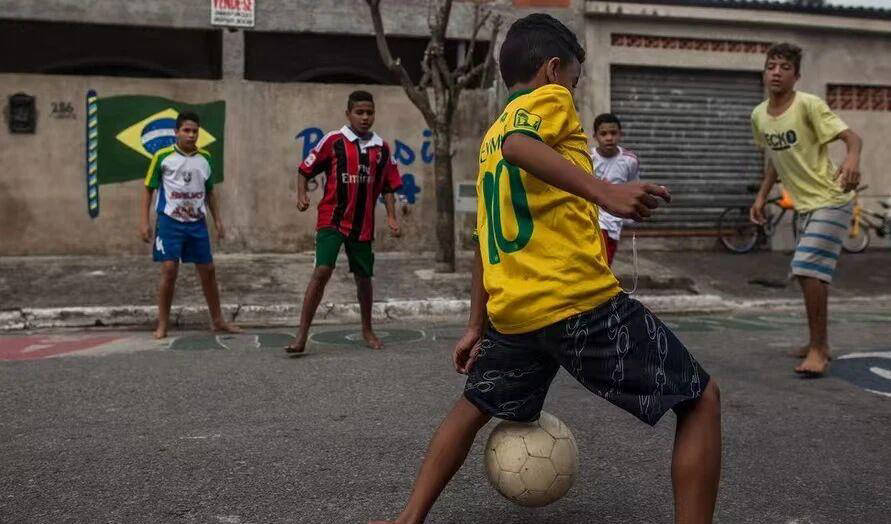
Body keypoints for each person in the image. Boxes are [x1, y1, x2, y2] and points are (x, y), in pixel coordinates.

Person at [371, 14, 721, 524]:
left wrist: (476, 323)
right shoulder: (544, 104)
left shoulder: (491, 138)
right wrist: (606, 191)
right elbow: (522, 145)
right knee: (701, 398)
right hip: (576, 302)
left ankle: (406, 521)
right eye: (576, 82)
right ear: (554, 70)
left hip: (516, 312)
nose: (574, 95)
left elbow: (483, 241)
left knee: (472, 407)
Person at [749, 43, 862, 377]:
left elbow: (852, 138)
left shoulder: (808, 104)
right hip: (804, 206)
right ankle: (818, 340)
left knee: (806, 269)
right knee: (811, 275)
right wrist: (760, 197)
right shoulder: (759, 115)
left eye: (785, 67)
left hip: (832, 199)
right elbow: (774, 160)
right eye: (771, 66)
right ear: (764, 71)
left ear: (796, 76)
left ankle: (818, 349)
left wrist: (852, 159)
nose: (777, 72)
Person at [287, 90, 402, 353]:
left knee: (364, 278)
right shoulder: (333, 140)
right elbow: (304, 170)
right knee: (322, 271)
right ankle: (301, 336)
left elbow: (388, 186)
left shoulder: (381, 148)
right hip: (332, 219)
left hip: (363, 225)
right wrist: (302, 195)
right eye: (359, 112)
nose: (364, 117)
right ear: (348, 114)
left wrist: (393, 217)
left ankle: (367, 329)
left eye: (369, 113)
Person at [139, 111, 242, 340]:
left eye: (195, 131)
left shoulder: (205, 158)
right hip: (169, 222)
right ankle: (162, 324)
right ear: (176, 132)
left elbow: (210, 192)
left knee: (208, 271)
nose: (191, 135)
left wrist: (218, 221)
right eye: (186, 130)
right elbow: (148, 188)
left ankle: (218, 321)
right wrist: (144, 221)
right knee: (169, 270)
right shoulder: (162, 157)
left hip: (197, 223)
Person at [591, 112, 641, 266]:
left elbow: (633, 186)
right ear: (595, 136)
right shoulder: (588, 158)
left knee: (605, 265)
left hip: (614, 223)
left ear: (620, 134)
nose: (609, 138)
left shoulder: (629, 160)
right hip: (592, 220)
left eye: (613, 133)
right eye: (603, 133)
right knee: (597, 265)